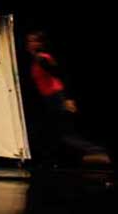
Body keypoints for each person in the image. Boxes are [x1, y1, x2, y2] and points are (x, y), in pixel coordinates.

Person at [25, 30, 111, 167]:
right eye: (29, 41)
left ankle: (96, 151)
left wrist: (68, 99)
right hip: (50, 99)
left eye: (33, 41)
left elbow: (60, 75)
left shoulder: (42, 59)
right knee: (53, 132)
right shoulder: (37, 60)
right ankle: (58, 160)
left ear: (40, 44)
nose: (29, 43)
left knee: (64, 134)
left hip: (56, 97)